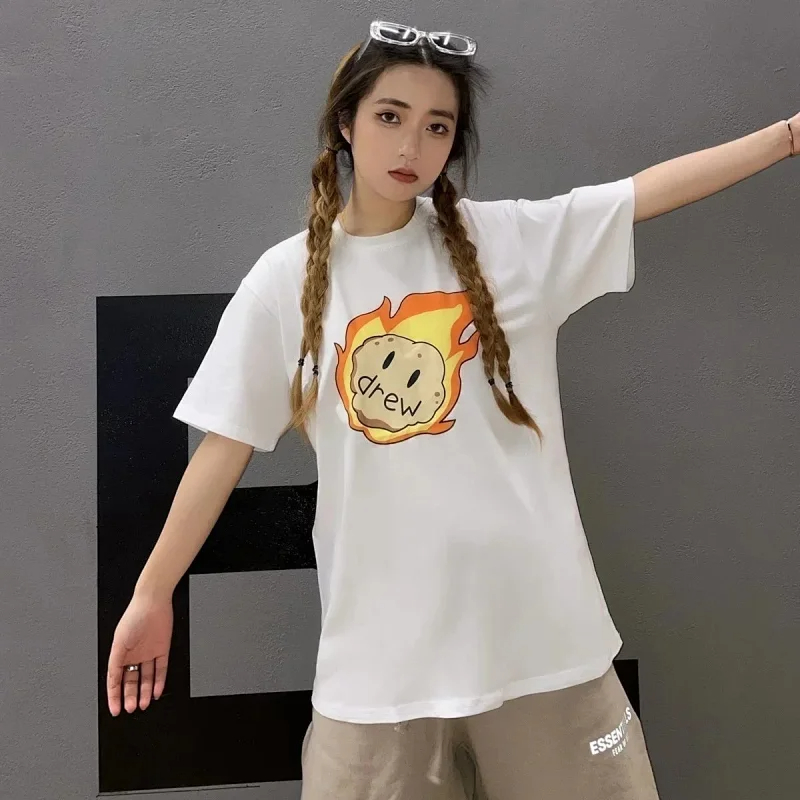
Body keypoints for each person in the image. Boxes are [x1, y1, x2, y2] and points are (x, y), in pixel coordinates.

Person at [106, 19, 797, 800]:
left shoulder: (504, 243)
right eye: (389, 116)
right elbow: (223, 447)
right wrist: (151, 593)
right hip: (380, 674)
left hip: (542, 651)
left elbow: (643, 194)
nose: (411, 145)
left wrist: (787, 136)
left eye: (437, 126)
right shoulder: (285, 281)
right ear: (345, 122)